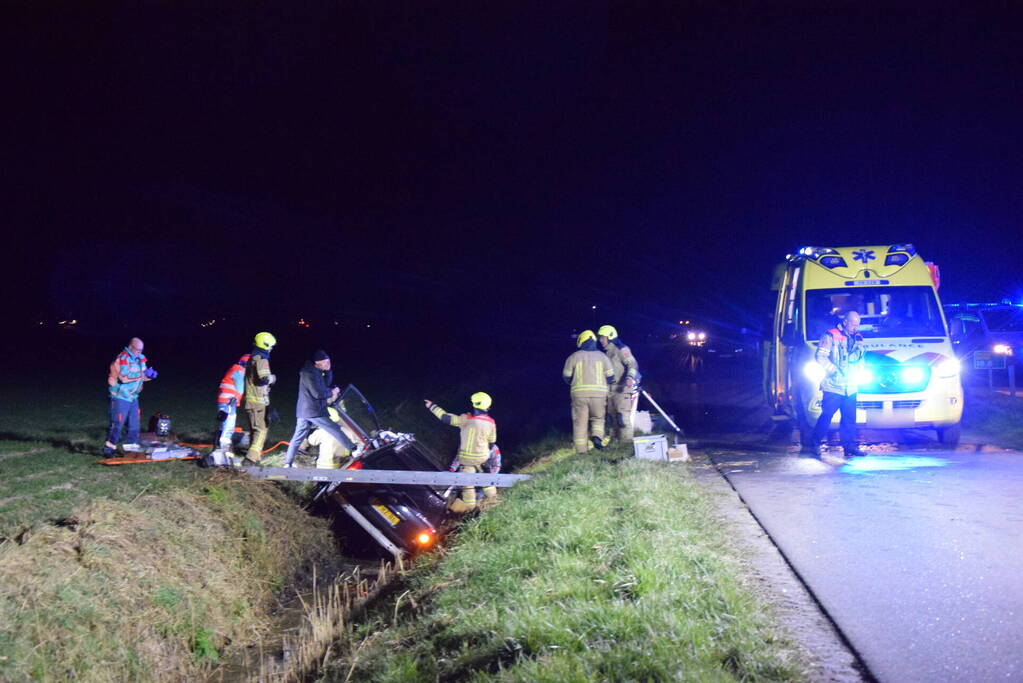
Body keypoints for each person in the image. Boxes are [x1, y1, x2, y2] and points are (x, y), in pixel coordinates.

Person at [425, 392, 497, 513]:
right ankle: (494, 502)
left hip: (466, 460)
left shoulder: (466, 419)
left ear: (474, 404)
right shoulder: (491, 423)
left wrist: (432, 406)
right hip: (482, 459)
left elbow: (445, 417)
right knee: (487, 482)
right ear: (488, 406)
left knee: (468, 487)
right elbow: (492, 442)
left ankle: (471, 510)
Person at [282, 350, 356, 467]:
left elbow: (324, 384)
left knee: (298, 437)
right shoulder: (309, 373)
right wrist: (333, 392)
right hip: (313, 410)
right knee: (335, 429)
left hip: (306, 410)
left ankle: (287, 463)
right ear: (317, 363)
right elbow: (318, 393)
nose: (328, 364)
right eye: (325, 362)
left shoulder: (316, 371)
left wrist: (328, 371)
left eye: (329, 361)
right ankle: (354, 450)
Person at [811, 310, 866, 458]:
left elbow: (861, 358)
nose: (856, 328)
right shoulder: (829, 335)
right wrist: (834, 371)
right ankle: (814, 444)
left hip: (851, 386)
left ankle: (849, 448)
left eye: (858, 325)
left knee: (849, 419)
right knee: (827, 416)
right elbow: (820, 356)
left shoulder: (858, 338)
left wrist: (860, 370)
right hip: (833, 386)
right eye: (853, 324)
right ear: (845, 322)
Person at [562, 330, 615, 453]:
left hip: (579, 396)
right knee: (598, 418)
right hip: (599, 395)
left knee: (580, 423)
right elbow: (611, 376)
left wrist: (572, 383)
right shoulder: (603, 357)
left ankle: (581, 451)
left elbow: (566, 376)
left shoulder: (573, 357)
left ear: (581, 341)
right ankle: (597, 437)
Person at [104, 337, 157, 454]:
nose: (140, 352)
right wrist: (142, 374)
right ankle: (110, 446)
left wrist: (149, 376)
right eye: (138, 350)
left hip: (133, 396)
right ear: (131, 347)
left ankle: (130, 446)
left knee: (134, 423)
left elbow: (142, 377)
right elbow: (124, 378)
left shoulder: (140, 359)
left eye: (141, 350)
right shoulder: (122, 359)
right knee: (118, 423)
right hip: (120, 395)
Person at [597, 324, 641, 442]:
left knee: (622, 418)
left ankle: (626, 443)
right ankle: (615, 441)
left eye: (602, 337)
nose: (600, 340)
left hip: (622, 390)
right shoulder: (607, 353)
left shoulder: (621, 350)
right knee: (612, 418)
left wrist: (629, 378)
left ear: (610, 337)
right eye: (600, 337)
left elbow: (632, 364)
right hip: (610, 391)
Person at [244, 332, 277, 462]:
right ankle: (250, 459)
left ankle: (255, 456)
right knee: (261, 430)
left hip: (251, 401)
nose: (271, 349)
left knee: (255, 429)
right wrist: (273, 378)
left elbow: (255, 381)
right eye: (271, 346)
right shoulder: (262, 360)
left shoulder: (252, 358)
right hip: (258, 403)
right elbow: (264, 379)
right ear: (265, 345)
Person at [214, 353, 250, 457]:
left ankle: (219, 445)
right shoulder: (239, 371)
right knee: (229, 425)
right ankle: (225, 449)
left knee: (223, 424)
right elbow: (240, 389)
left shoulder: (235, 369)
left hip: (225, 400)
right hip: (229, 401)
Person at [305, 404, 360, 469]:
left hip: (324, 467)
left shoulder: (322, 431)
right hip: (342, 466)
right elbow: (356, 442)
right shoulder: (345, 431)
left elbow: (311, 441)